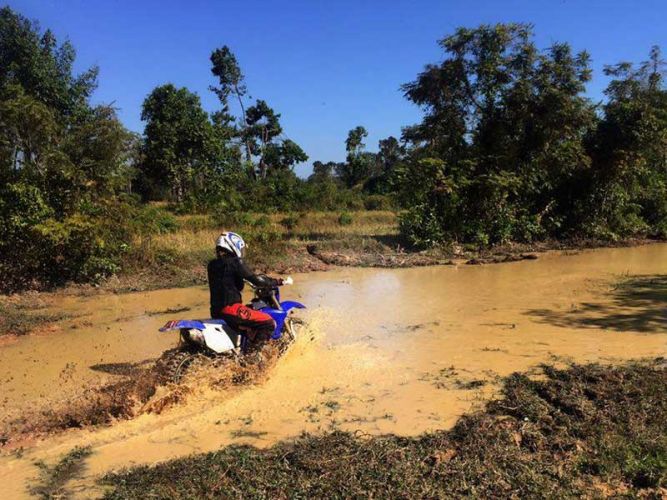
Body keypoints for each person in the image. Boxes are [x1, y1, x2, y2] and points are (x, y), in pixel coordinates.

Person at [207, 231, 284, 348]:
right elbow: (256, 280)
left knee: (249, 314)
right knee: (268, 322)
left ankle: (244, 346)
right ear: (233, 245)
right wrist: (276, 282)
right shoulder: (235, 262)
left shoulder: (212, 265)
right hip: (231, 309)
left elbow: (235, 284)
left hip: (216, 311)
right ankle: (254, 357)